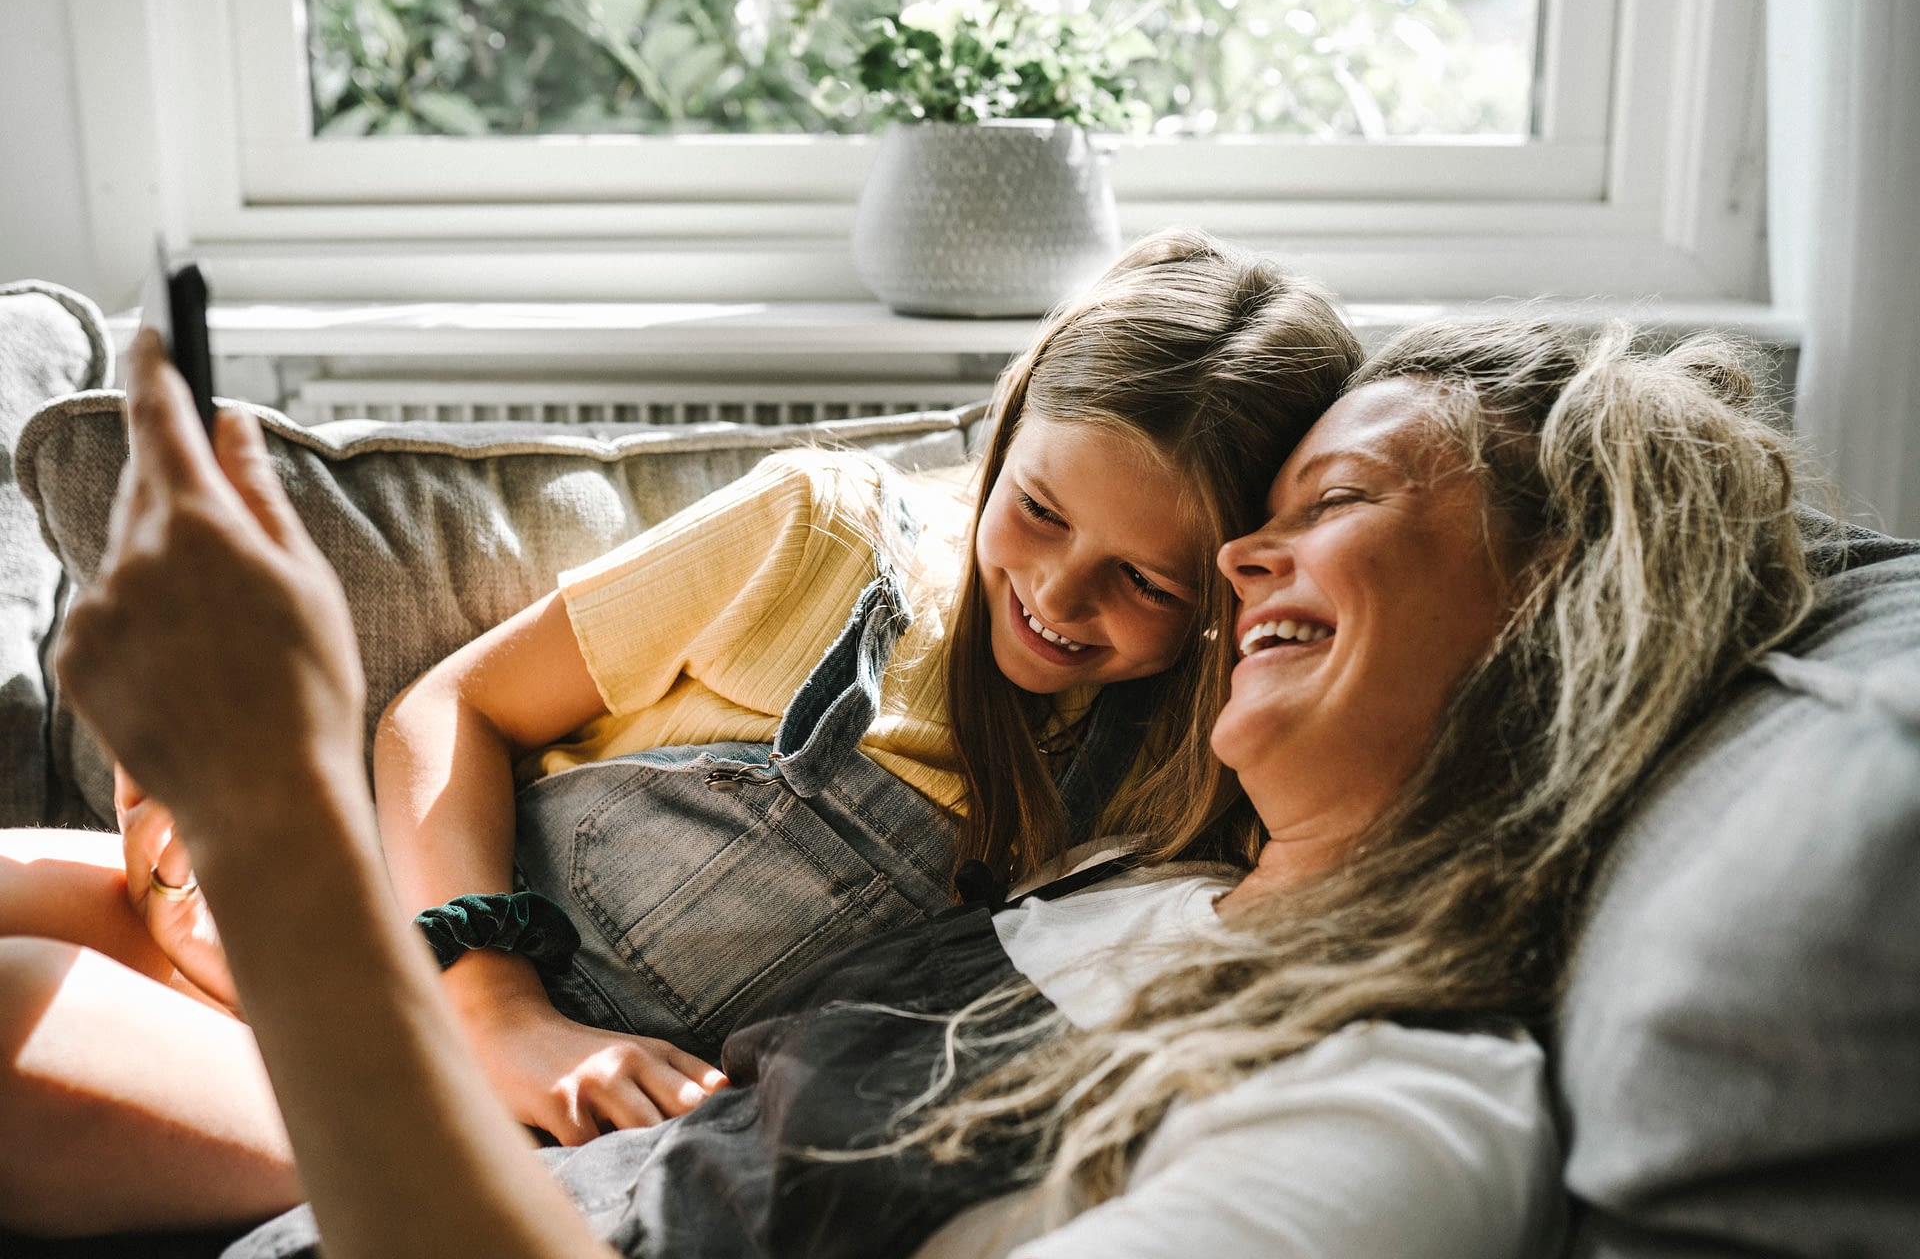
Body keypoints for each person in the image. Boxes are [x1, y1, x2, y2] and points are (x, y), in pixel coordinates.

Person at [5, 309, 1818, 1257]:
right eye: (1260, 538)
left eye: (1318, 519)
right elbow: (466, 729)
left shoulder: (1395, 1105)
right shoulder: (1161, 882)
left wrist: (277, 826)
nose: (1241, 581)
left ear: (1561, 615)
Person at [0, 229, 1362, 1229]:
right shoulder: (826, 538)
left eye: (1142, 582)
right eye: (1041, 512)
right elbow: (449, 706)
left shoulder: (1185, 779)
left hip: (440, 1109)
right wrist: (493, 1000)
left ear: (1236, 589)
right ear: (1007, 435)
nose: (1057, 596)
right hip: (388, 938)